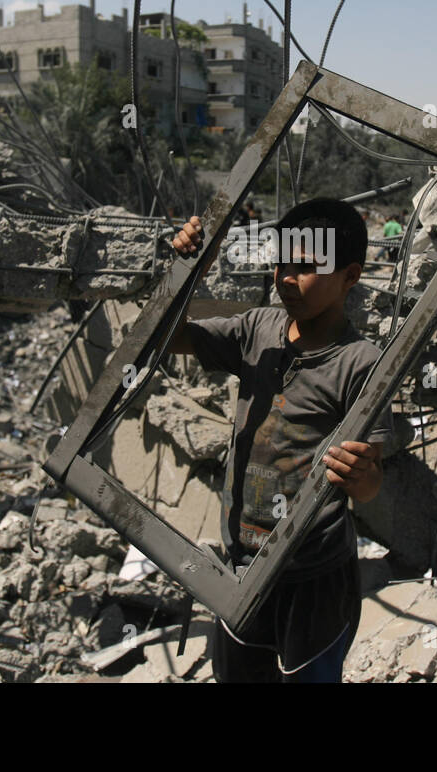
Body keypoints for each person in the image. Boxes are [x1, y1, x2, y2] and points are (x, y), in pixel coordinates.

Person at [168, 198, 393, 683]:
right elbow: (166, 338)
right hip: (241, 562)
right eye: (282, 261)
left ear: (350, 276)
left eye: (307, 267)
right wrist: (188, 269)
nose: (287, 277)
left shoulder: (360, 362)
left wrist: (361, 476)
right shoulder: (258, 329)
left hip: (313, 573)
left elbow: (371, 482)